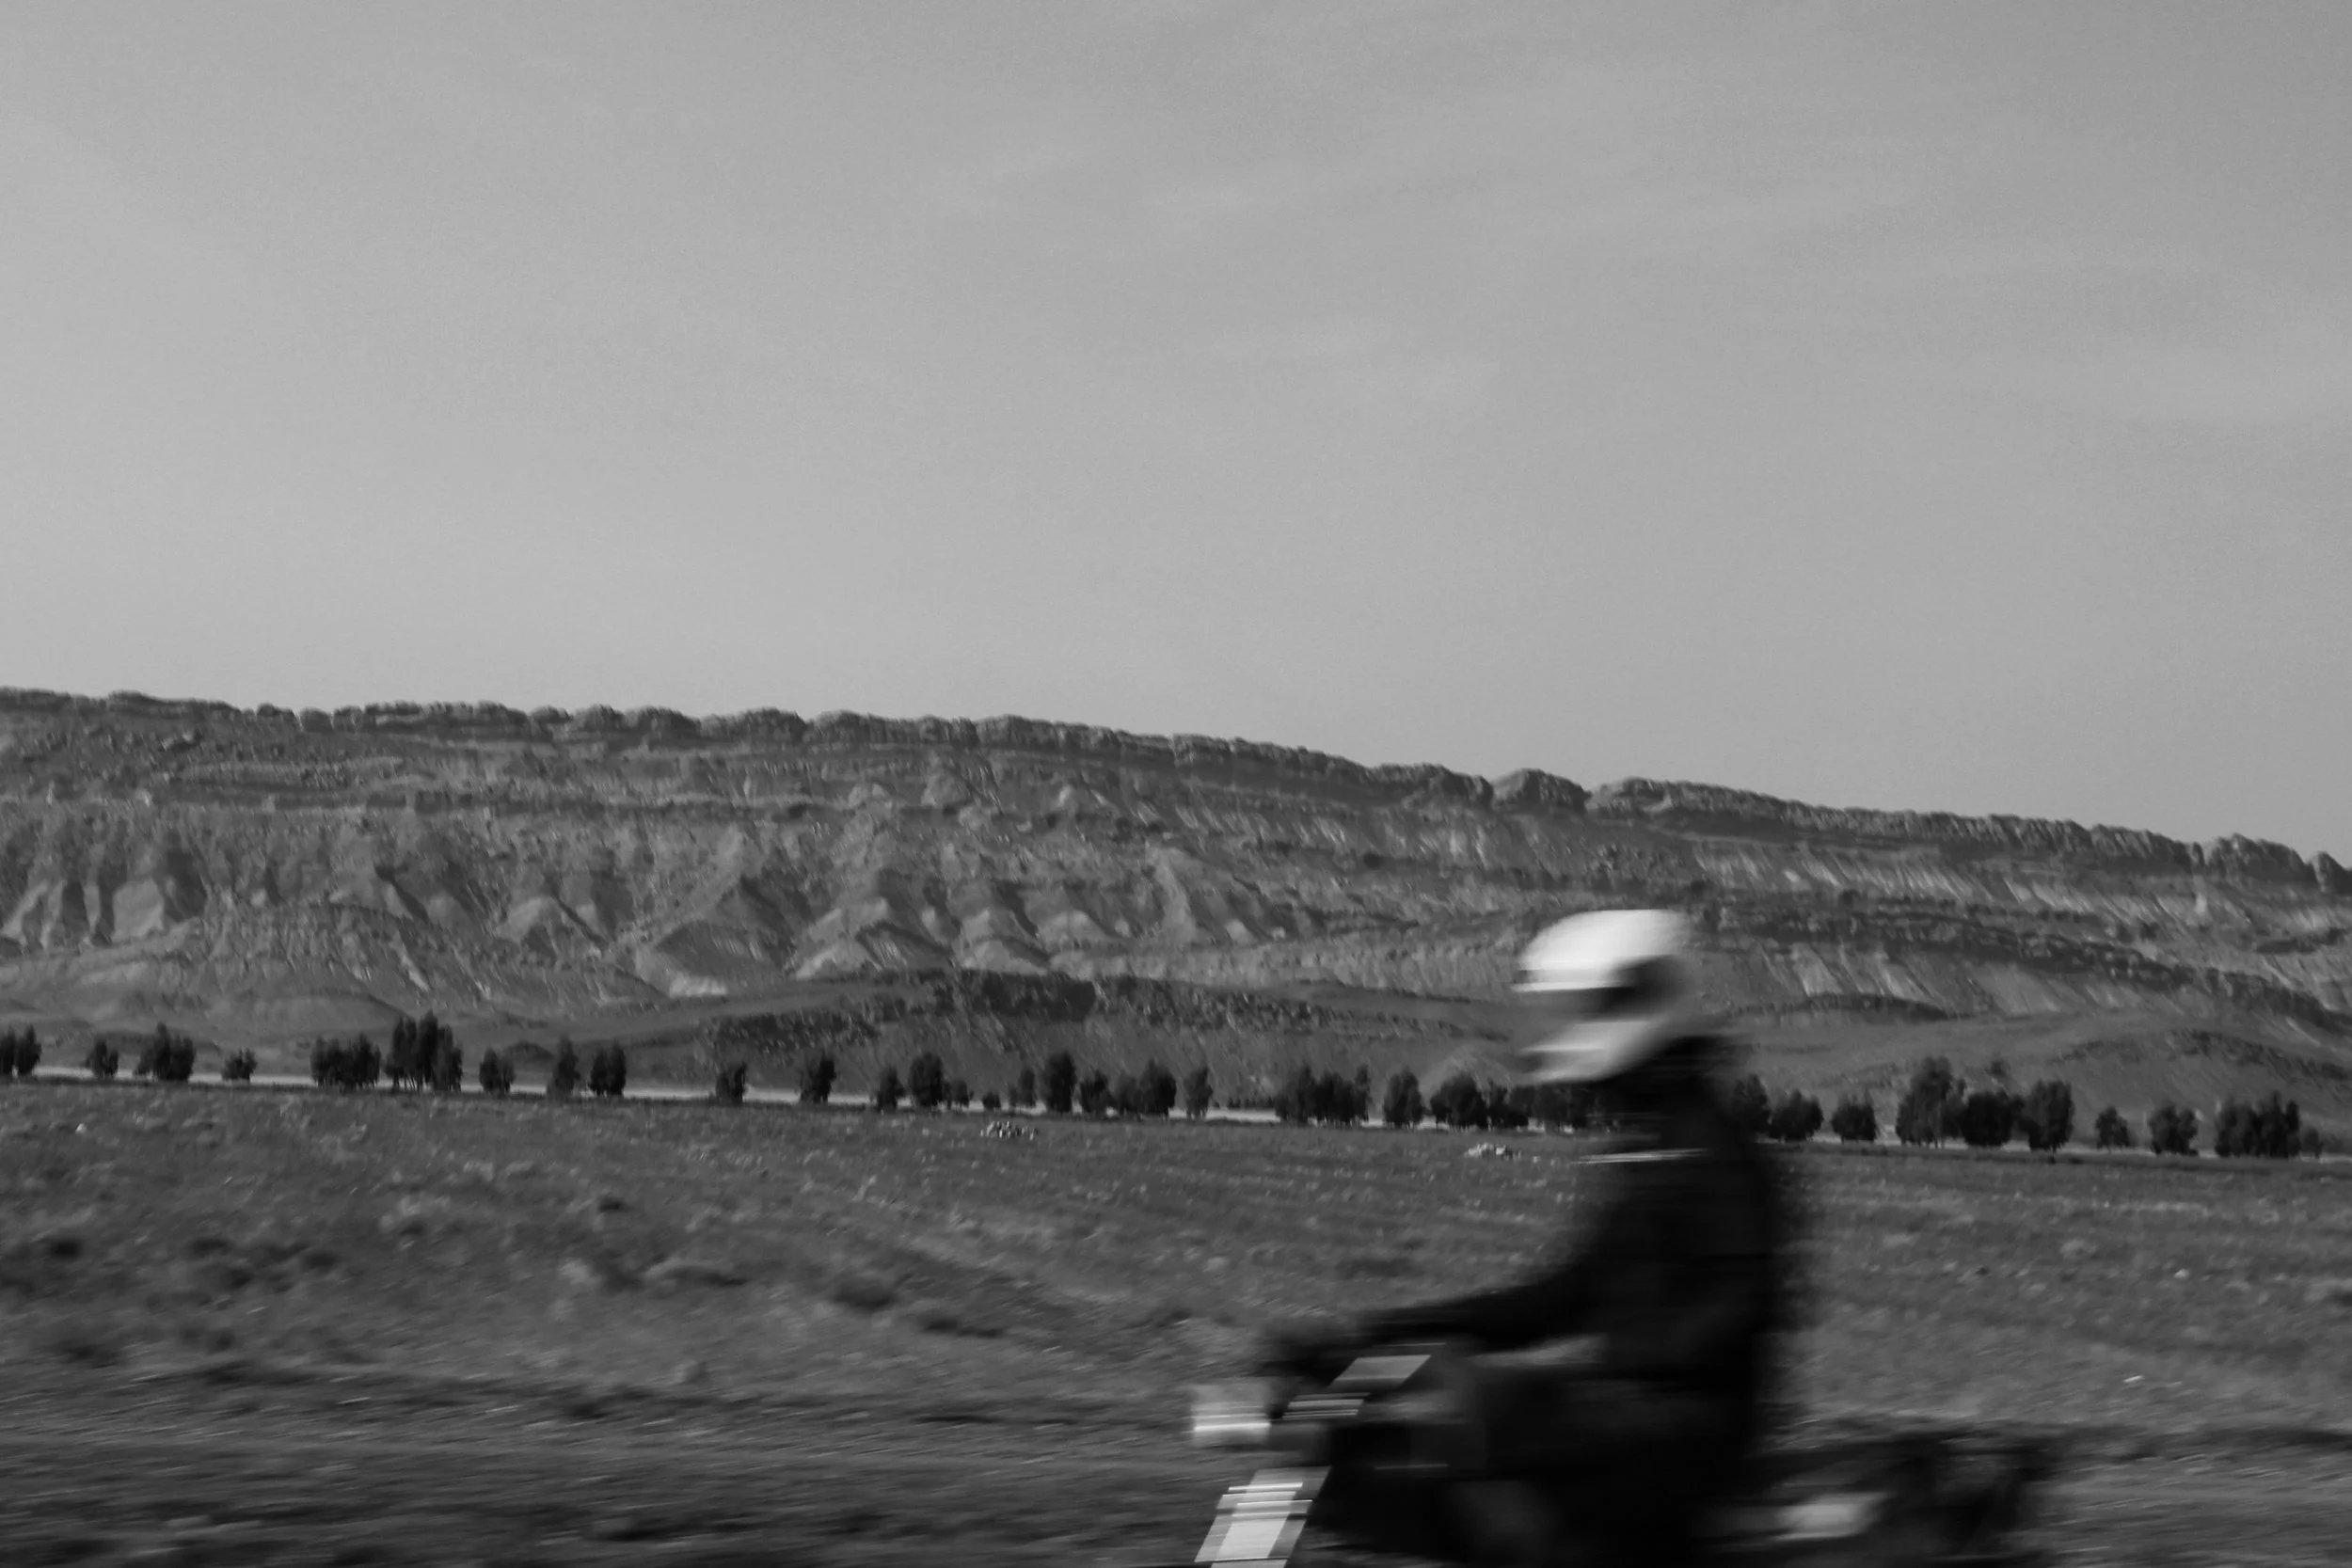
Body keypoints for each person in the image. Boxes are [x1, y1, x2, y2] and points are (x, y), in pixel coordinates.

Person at [1268, 909, 1791, 1566]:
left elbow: (1750, 1301)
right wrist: (1374, 1333)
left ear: (1631, 1001)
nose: (1564, 1027)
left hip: (1687, 1431)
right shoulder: (1646, 1145)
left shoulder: (1717, 1151)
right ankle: (1244, 1550)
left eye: (1577, 1006)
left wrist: (1621, 1363)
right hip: (1624, 1414)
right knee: (1340, 1413)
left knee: (1472, 1412)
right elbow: (1565, 1292)